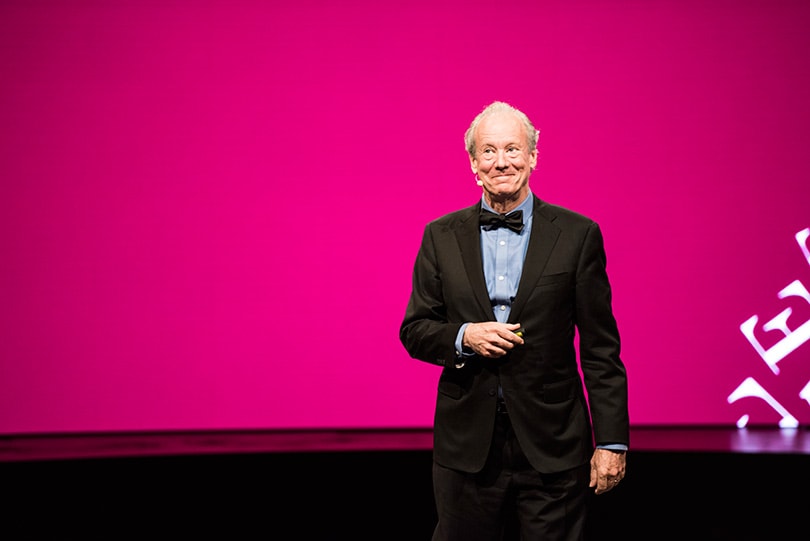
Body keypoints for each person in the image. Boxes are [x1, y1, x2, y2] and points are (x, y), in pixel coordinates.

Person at [399, 101, 629, 540]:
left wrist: (612, 441)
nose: (501, 161)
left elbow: (601, 348)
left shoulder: (578, 235)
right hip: (467, 447)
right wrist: (465, 336)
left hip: (554, 444)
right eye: (488, 151)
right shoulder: (440, 236)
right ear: (473, 163)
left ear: (533, 157)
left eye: (512, 149)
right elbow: (415, 330)